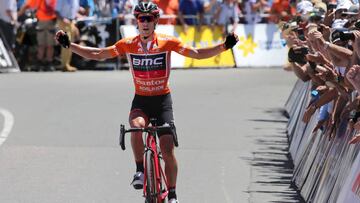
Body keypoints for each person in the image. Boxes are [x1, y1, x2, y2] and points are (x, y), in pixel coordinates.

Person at [55, 2, 238, 202]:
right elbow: (98, 54)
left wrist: (224, 46)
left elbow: (197, 54)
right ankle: (140, 170)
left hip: (162, 101)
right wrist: (69, 45)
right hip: (141, 100)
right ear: (137, 22)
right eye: (141, 18)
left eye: (149, 18)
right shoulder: (128, 44)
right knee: (135, 127)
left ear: (155, 21)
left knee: (167, 148)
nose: (145, 23)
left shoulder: (167, 42)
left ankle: (173, 194)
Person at [18, 0, 57, 71]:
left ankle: (49, 62)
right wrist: (18, 15)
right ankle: (39, 62)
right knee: (41, 44)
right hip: (41, 22)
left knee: (50, 45)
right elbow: (27, 5)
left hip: (51, 22)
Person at [55, 0, 80, 72]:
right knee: (66, 43)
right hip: (63, 22)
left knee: (70, 44)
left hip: (72, 22)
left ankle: (67, 64)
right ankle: (64, 65)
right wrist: (63, 19)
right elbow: (56, 11)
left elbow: (75, 11)